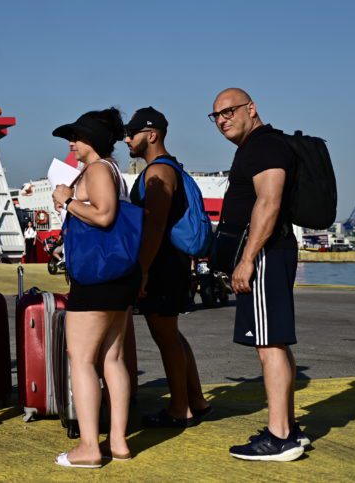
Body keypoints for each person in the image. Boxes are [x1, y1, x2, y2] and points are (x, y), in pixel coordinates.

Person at [210, 88, 307, 461]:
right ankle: (289, 428)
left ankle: (279, 436)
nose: (222, 120)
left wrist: (248, 258)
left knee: (268, 346)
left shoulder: (264, 146)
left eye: (229, 111)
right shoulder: (257, 146)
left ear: (251, 109)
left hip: (265, 254)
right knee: (275, 342)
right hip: (268, 253)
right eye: (216, 115)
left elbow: (269, 201)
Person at [51, 108, 139, 468]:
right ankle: (117, 441)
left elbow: (104, 215)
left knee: (82, 359)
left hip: (97, 280)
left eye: (77, 136)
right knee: (112, 359)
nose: (72, 142)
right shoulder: (111, 170)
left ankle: (89, 446)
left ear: (95, 141)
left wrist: (66, 201)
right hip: (118, 277)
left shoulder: (99, 169)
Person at [124, 107, 211, 428]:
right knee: (171, 334)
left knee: (166, 337)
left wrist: (143, 269)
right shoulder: (170, 167)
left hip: (162, 265)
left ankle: (179, 409)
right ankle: (196, 400)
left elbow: (155, 225)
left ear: (152, 135)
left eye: (132, 133)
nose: (127, 139)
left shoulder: (158, 173)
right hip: (173, 262)